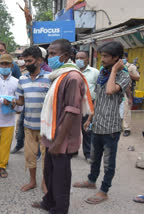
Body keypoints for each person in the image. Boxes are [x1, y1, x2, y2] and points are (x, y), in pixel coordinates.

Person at [32, 39, 93, 213]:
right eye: (49, 53)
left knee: (61, 178)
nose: (49, 58)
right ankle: (48, 201)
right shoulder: (59, 74)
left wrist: (59, 141)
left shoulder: (72, 77)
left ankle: (60, 209)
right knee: (49, 172)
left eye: (53, 54)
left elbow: (72, 111)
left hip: (62, 139)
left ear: (65, 56)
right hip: (52, 135)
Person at [73, 41, 130, 205]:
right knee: (94, 158)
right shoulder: (103, 73)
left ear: (116, 58)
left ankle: (104, 191)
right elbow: (99, 97)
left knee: (108, 162)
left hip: (111, 128)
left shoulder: (123, 75)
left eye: (105, 56)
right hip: (97, 125)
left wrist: (114, 70)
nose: (102, 59)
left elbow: (110, 90)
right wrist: (90, 117)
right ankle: (91, 181)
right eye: (101, 55)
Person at [12, 46, 51, 193]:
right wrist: (13, 103)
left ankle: (46, 183)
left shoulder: (49, 78)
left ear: (40, 60)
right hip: (28, 125)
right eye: (25, 61)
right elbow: (21, 102)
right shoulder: (22, 79)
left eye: (30, 61)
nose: (26, 64)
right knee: (30, 156)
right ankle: (33, 181)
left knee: (47, 158)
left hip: (45, 127)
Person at [75, 51, 100, 161]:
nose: (79, 60)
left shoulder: (95, 72)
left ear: (87, 59)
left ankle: (88, 154)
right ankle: (73, 150)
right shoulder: (73, 71)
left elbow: (99, 89)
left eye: (82, 57)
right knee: (73, 130)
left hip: (88, 105)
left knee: (87, 130)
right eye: (77, 57)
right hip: (74, 104)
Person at [121, 52, 140, 137]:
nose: (121, 59)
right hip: (117, 90)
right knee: (118, 110)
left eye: (123, 57)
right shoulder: (116, 66)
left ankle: (126, 128)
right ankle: (119, 126)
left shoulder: (131, 67)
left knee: (126, 110)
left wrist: (128, 73)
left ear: (126, 58)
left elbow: (137, 77)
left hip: (127, 90)